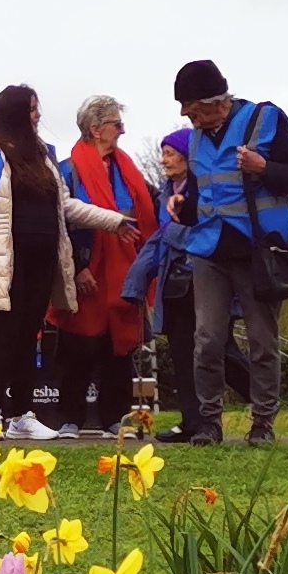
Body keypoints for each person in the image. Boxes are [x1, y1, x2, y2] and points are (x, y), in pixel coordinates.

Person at [0, 85, 137, 441]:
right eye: (32, 109)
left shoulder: (44, 156)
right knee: (3, 333)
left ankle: (23, 414)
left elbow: (65, 206)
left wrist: (111, 220)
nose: (38, 115)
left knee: (29, 335)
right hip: (4, 257)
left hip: (44, 257)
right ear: (13, 112)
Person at [167, 60, 288, 446]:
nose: (186, 113)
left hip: (258, 250)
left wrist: (264, 166)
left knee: (263, 341)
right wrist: (182, 203)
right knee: (207, 339)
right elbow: (204, 189)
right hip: (209, 248)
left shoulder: (266, 120)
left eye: (190, 105)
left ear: (214, 101)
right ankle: (209, 424)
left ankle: (262, 424)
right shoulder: (197, 136)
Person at [122, 128, 251, 443]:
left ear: (187, 155)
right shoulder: (168, 191)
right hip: (175, 283)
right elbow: (162, 239)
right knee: (182, 352)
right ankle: (193, 422)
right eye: (162, 153)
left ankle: (261, 398)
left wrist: (171, 233)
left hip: (207, 279)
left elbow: (199, 232)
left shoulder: (202, 189)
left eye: (170, 153)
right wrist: (137, 280)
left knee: (217, 349)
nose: (164, 160)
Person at [47, 96, 157, 440]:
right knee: (78, 345)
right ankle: (70, 418)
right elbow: (61, 223)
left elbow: (147, 208)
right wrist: (78, 268)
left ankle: (114, 416)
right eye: (116, 124)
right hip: (88, 268)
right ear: (96, 129)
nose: (121, 131)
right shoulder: (68, 170)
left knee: (119, 345)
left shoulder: (128, 169)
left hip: (125, 269)